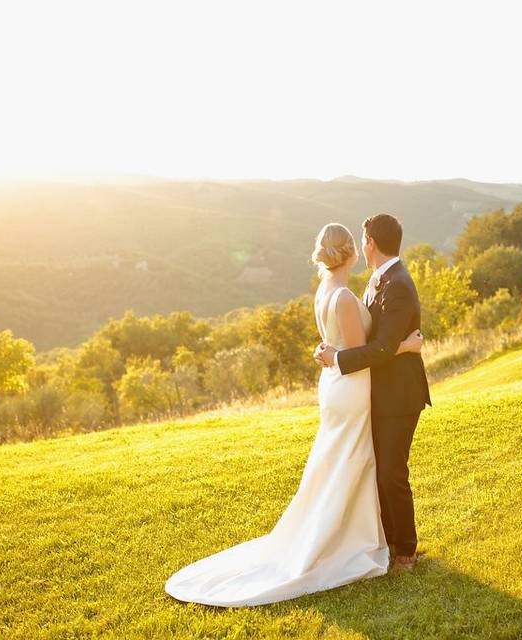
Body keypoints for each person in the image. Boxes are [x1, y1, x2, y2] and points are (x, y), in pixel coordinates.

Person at [164, 222, 423, 607]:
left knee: (352, 463)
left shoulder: (331, 290)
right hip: (350, 386)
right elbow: (369, 351)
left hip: (344, 386)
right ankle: (365, 542)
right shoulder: (349, 295)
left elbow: (360, 347)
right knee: (355, 463)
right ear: (353, 251)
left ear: (365, 246)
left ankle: (381, 541)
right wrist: (402, 346)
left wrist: (347, 353)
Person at [314, 213, 431, 571]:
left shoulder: (397, 285)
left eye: (365, 240)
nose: (363, 246)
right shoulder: (376, 281)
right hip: (377, 391)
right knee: (378, 469)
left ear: (371, 244)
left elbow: (380, 348)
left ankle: (406, 551)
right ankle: (388, 541)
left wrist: (336, 357)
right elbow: (375, 342)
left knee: (391, 472)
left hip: (400, 395)